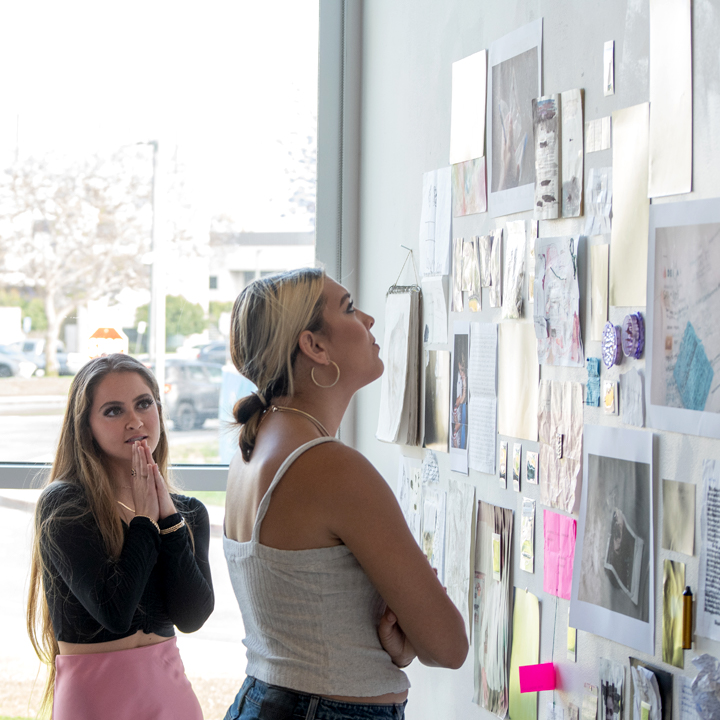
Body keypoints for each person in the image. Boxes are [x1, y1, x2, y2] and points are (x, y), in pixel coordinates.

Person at [223, 268, 468, 720]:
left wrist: (398, 646)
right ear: (314, 346)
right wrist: (413, 636)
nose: (370, 320)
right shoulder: (329, 466)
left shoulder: (254, 448)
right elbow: (449, 645)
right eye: (350, 308)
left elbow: (312, 621)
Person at [26, 354, 214, 720]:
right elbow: (114, 611)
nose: (135, 421)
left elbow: (192, 617)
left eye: (144, 404)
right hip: (95, 699)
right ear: (86, 427)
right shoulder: (65, 504)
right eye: (113, 411)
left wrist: (169, 521)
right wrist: (144, 521)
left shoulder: (188, 512)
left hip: (171, 696)